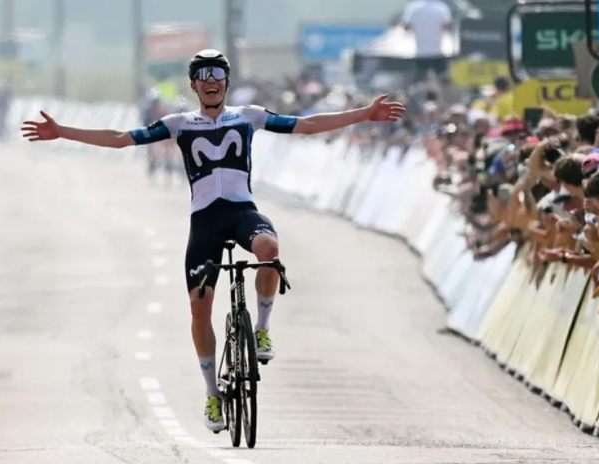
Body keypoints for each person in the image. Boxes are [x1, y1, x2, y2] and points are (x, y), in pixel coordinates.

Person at [21, 49, 406, 433]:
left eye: (217, 74)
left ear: (226, 82)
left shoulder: (249, 116)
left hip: (242, 213)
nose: (210, 81)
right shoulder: (179, 123)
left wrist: (363, 114)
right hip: (204, 222)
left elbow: (305, 124)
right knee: (199, 310)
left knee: (269, 250)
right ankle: (211, 393)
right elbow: (122, 138)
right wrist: (62, 132)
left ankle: (262, 328)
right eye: (202, 75)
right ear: (193, 85)